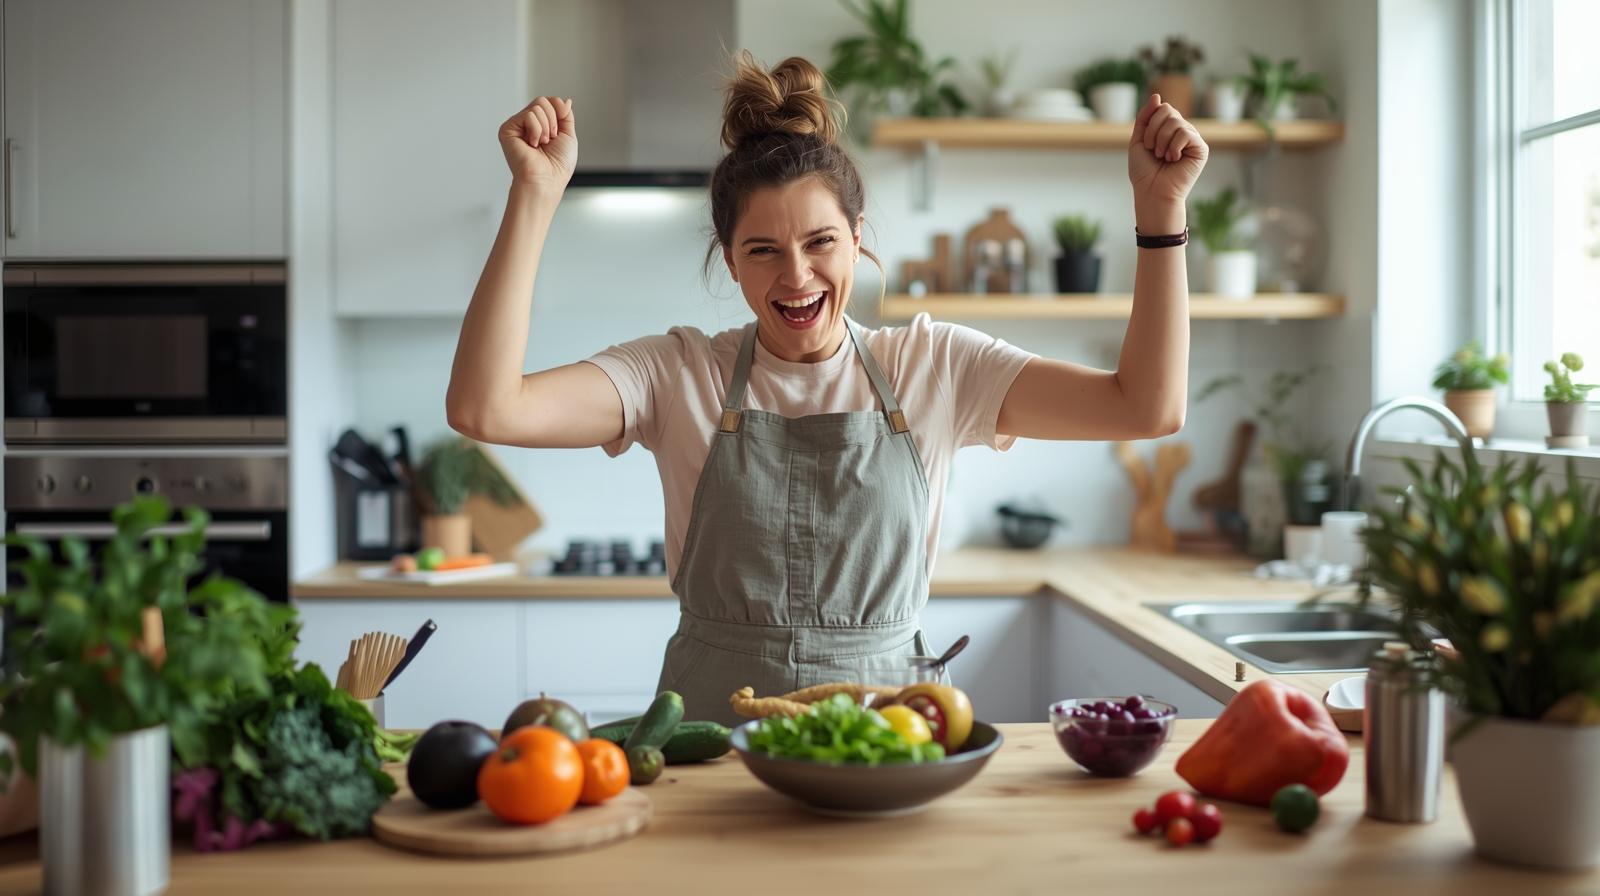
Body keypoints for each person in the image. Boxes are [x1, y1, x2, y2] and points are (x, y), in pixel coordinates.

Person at [447, 52, 1208, 725]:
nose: (797, 277)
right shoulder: (677, 374)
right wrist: (535, 194)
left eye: (820, 243)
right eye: (763, 250)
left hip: (885, 735)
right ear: (730, 259)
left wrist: (1161, 213)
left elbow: (1145, 408)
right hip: (713, 744)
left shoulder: (935, 366)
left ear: (858, 236)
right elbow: (487, 408)